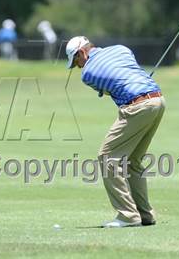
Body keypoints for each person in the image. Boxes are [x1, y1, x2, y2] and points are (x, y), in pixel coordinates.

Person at [65, 36, 165, 228]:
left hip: (138, 106)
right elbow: (130, 69)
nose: (78, 66)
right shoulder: (121, 48)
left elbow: (110, 90)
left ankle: (128, 215)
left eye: (76, 61)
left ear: (82, 53)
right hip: (158, 100)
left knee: (107, 157)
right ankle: (145, 214)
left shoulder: (87, 75)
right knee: (133, 160)